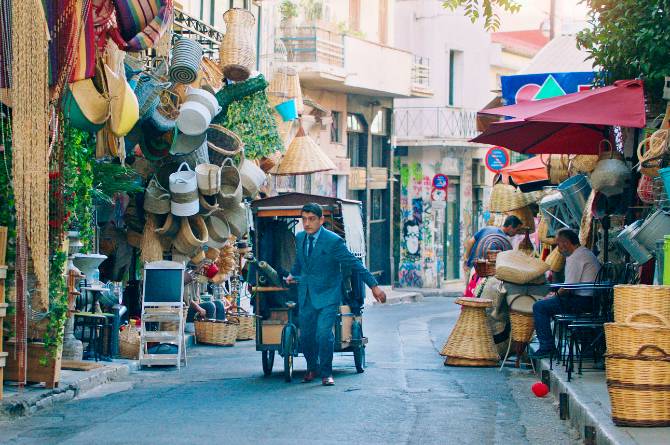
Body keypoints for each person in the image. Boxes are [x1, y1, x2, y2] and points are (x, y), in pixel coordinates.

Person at [286, 203, 386, 386]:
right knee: (306, 336)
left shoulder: (333, 241)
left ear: (321, 220)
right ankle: (311, 368)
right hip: (306, 295)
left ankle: (326, 373)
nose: (307, 223)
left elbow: (355, 264)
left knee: (323, 334)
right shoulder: (300, 238)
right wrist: (293, 274)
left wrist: (374, 286)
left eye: (312, 219)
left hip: (328, 295)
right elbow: (300, 263)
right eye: (304, 219)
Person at [530, 228, 601, 358]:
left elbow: (569, 287)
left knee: (539, 307)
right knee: (546, 303)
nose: (558, 248)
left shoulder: (576, 257)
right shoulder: (584, 253)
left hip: (583, 302)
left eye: (558, 244)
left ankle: (547, 347)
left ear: (566, 243)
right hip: (589, 300)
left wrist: (555, 295)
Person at [462, 215, 523, 279]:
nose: (517, 233)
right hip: (485, 275)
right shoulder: (504, 242)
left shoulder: (487, 228)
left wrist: (466, 259)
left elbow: (470, 242)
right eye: (517, 230)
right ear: (510, 227)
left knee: (470, 288)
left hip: (473, 269)